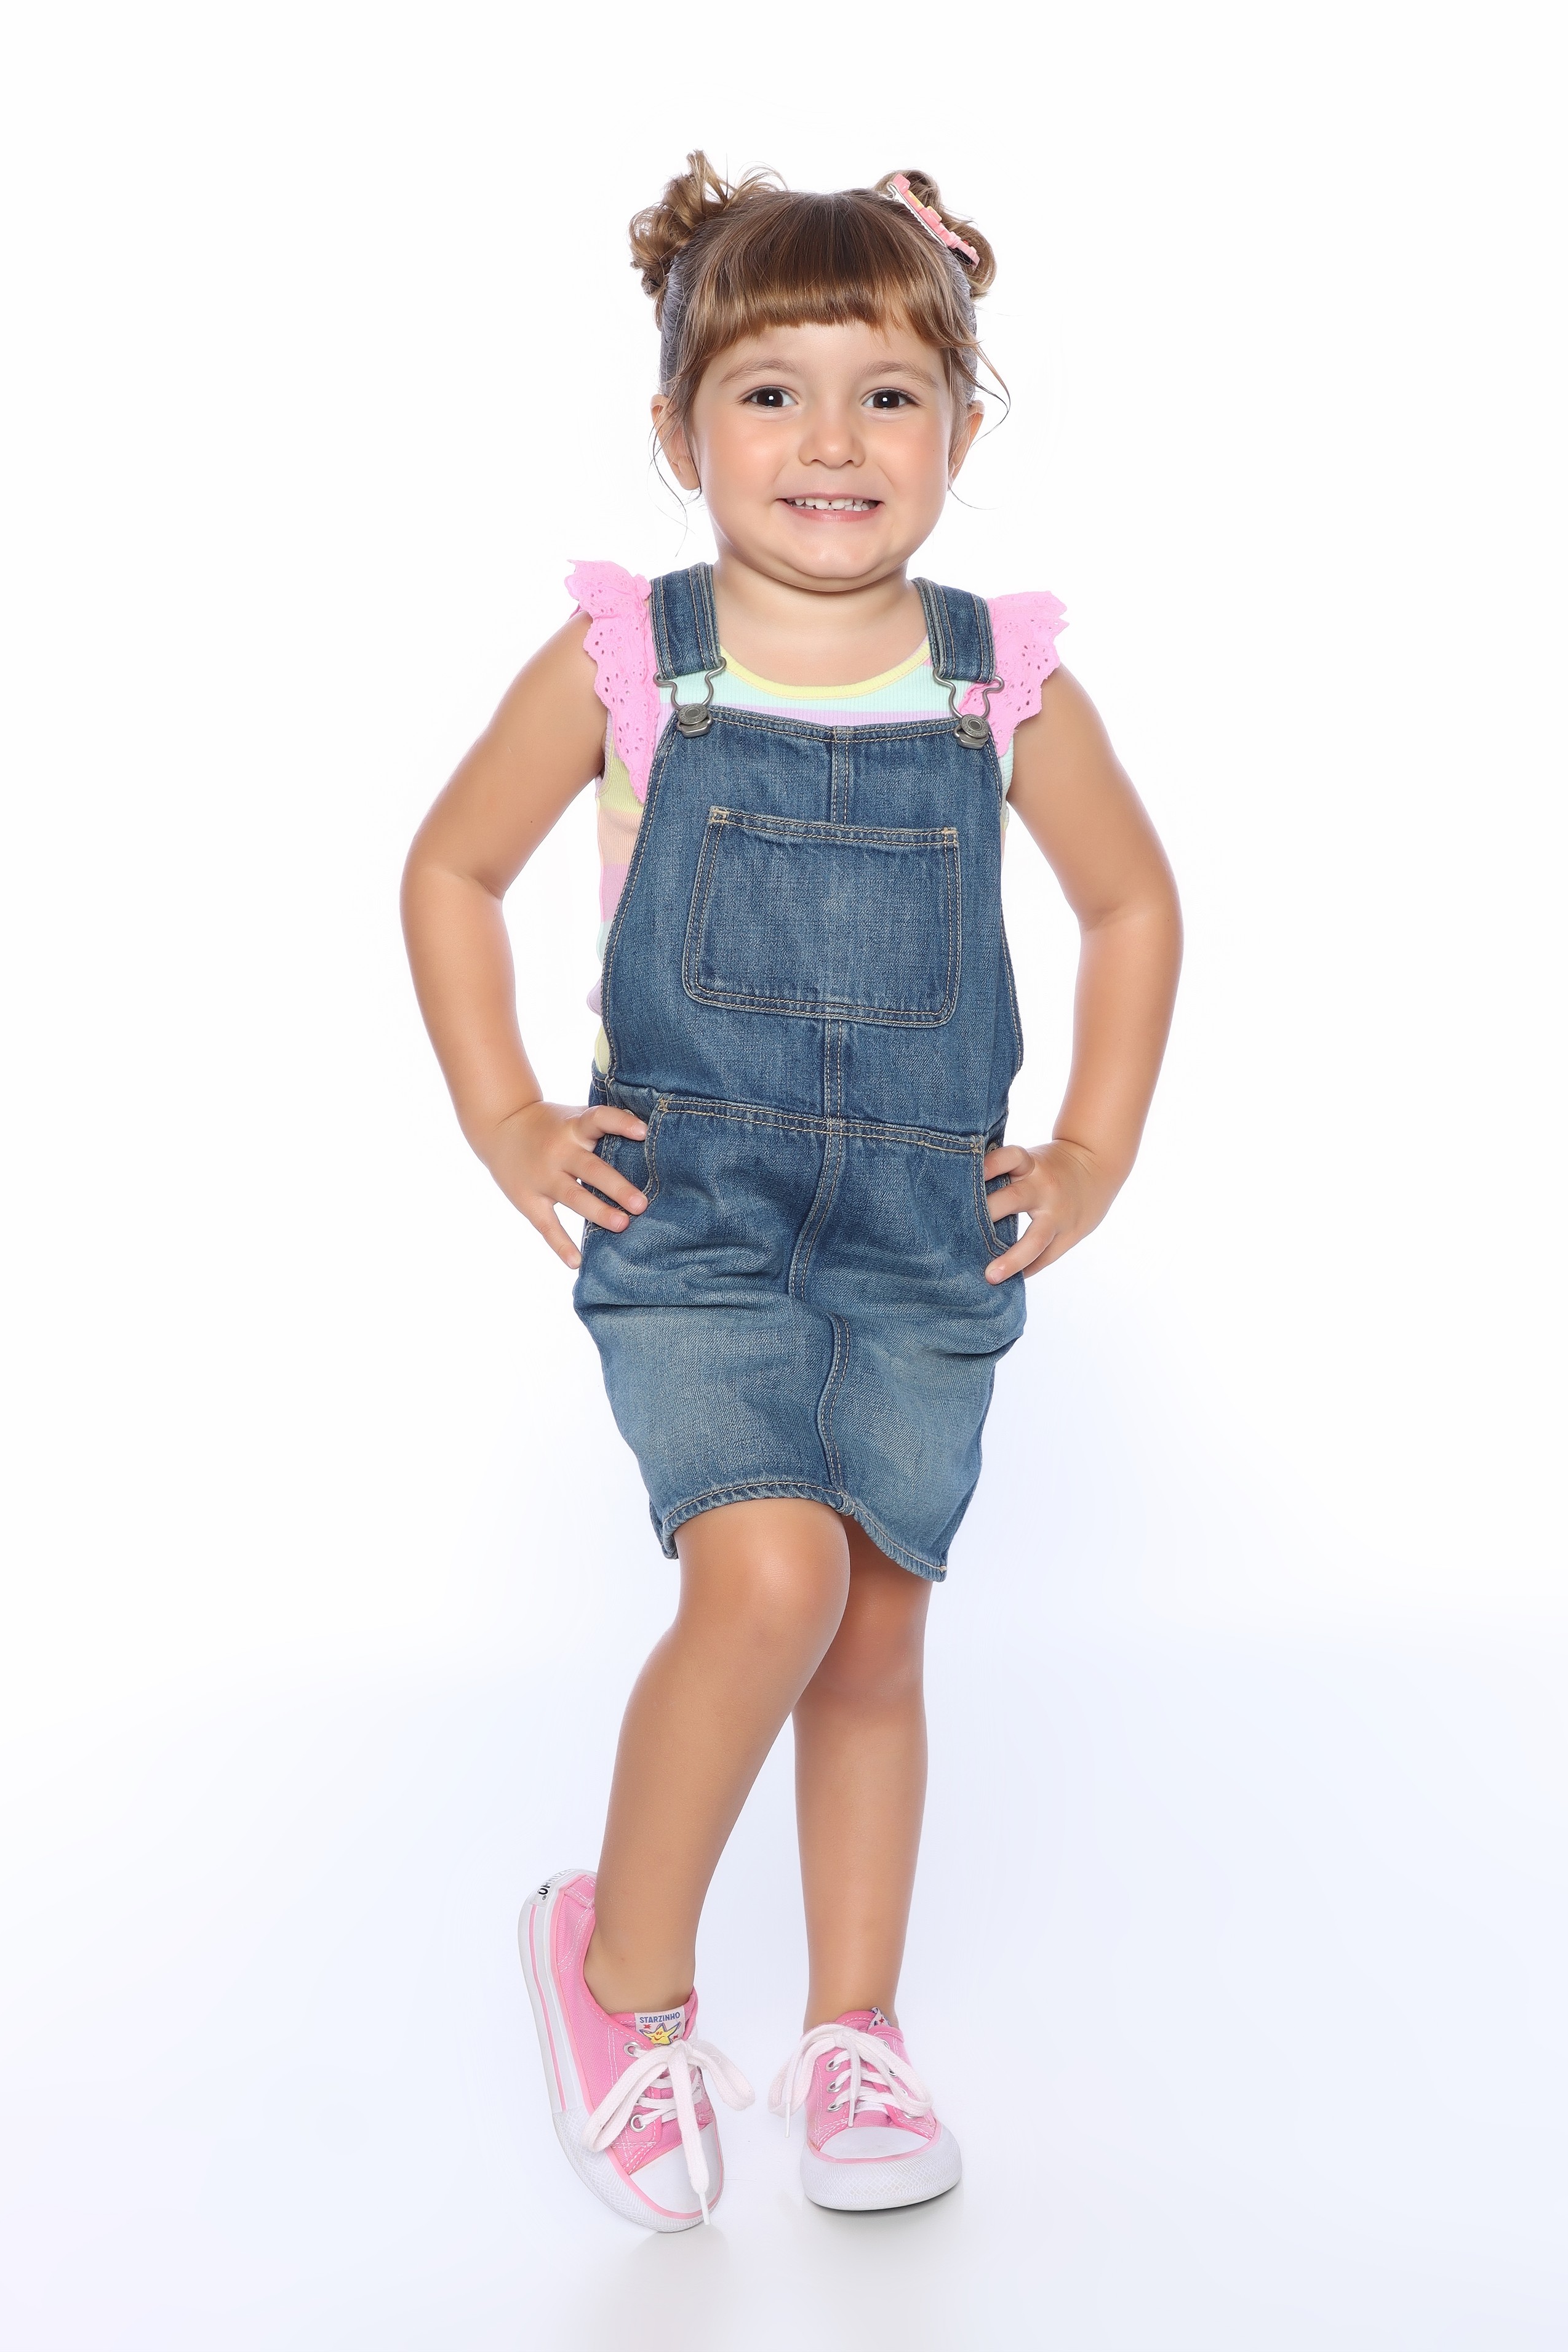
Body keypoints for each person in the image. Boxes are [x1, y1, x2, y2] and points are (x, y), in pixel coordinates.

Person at [401, 154, 1182, 2231]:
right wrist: (505, 1117)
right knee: (768, 1581)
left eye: (886, 394)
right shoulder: (632, 664)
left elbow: (1130, 905)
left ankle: (854, 2031)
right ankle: (620, 1981)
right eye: (769, 393)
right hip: (702, 1220)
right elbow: (449, 869)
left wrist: (1091, 1149)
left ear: (959, 433)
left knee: (874, 1637)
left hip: (922, 1225)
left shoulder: (991, 680)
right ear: (678, 433)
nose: (830, 441)